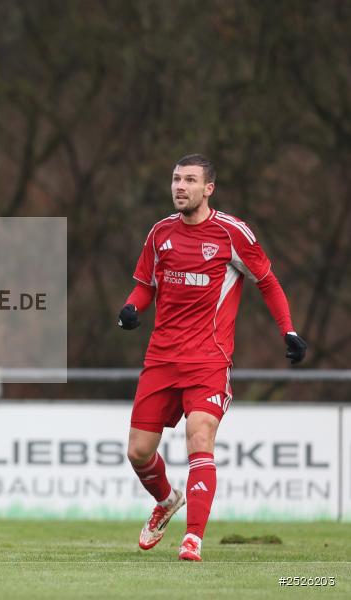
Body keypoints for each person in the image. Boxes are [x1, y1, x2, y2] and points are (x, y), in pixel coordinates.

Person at [118, 154, 307, 561]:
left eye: (189, 180)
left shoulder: (231, 233)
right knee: (137, 451)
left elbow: (268, 282)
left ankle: (194, 538)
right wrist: (133, 308)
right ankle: (168, 501)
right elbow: (145, 287)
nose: (179, 187)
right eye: (175, 179)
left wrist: (287, 330)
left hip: (209, 359)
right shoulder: (159, 233)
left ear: (209, 189)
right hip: (162, 359)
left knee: (199, 439)